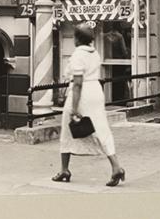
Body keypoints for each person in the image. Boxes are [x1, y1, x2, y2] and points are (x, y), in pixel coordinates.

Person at [52, 23, 126, 186]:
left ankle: (64, 169)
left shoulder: (78, 55)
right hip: (96, 91)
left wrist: (74, 108)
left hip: (82, 93)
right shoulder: (95, 53)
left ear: (77, 39)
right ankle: (116, 166)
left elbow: (78, 83)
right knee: (101, 129)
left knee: (67, 129)